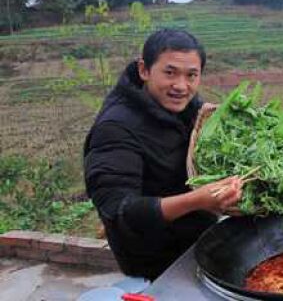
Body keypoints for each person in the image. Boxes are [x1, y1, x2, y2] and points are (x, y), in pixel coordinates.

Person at [84, 29, 242, 280]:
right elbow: (119, 210)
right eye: (170, 73)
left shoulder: (184, 106)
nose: (181, 86)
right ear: (144, 70)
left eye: (192, 75)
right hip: (156, 261)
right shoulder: (116, 128)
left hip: (197, 241)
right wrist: (198, 200)